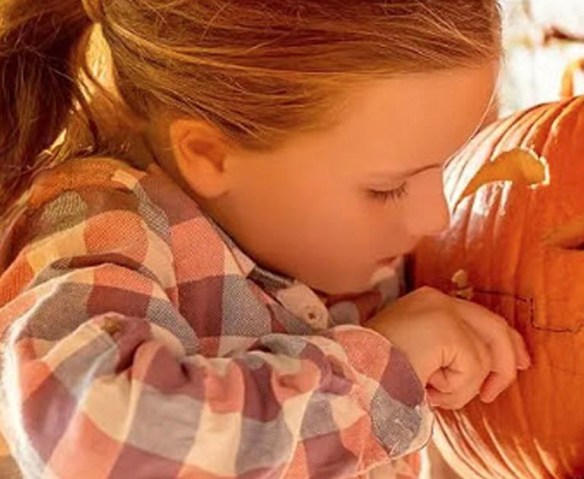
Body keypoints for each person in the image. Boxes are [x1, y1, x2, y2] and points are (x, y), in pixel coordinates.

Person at [0, 1, 530, 477]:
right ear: (209, 155)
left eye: (448, 164)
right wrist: (378, 375)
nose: (435, 216)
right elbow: (94, 444)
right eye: (387, 188)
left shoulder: (339, 252)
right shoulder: (105, 229)